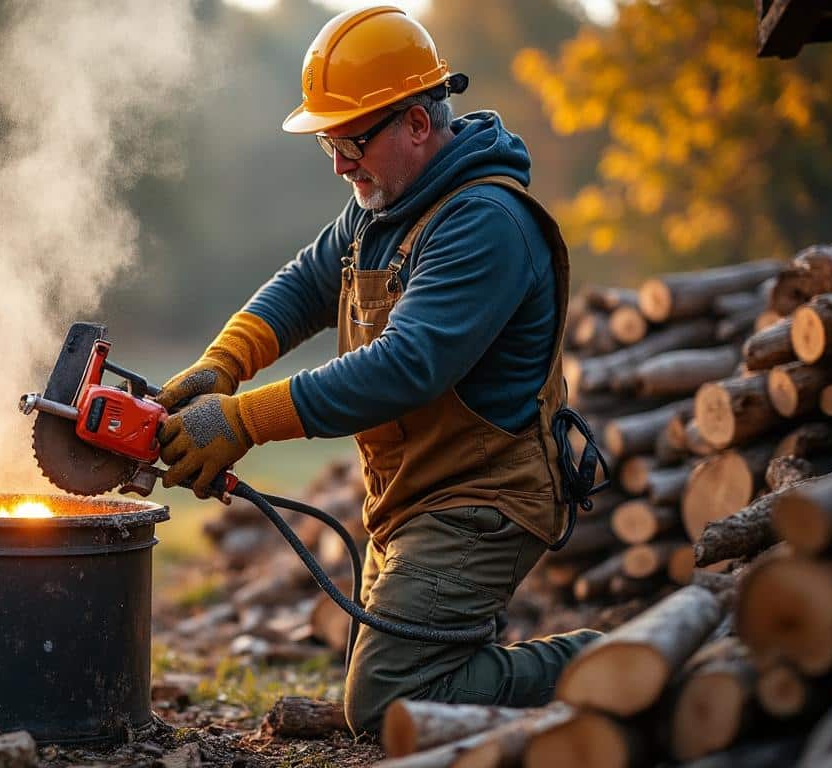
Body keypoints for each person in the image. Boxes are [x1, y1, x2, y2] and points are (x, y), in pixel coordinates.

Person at [155, 6, 602, 735]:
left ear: (418, 125)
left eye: (350, 140)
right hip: (414, 493)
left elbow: (405, 367)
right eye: (329, 141)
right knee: (418, 678)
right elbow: (305, 284)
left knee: (389, 700)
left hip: (480, 501)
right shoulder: (384, 203)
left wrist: (243, 421)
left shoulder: (484, 222)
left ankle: (617, 658)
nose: (338, 162)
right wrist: (221, 365)